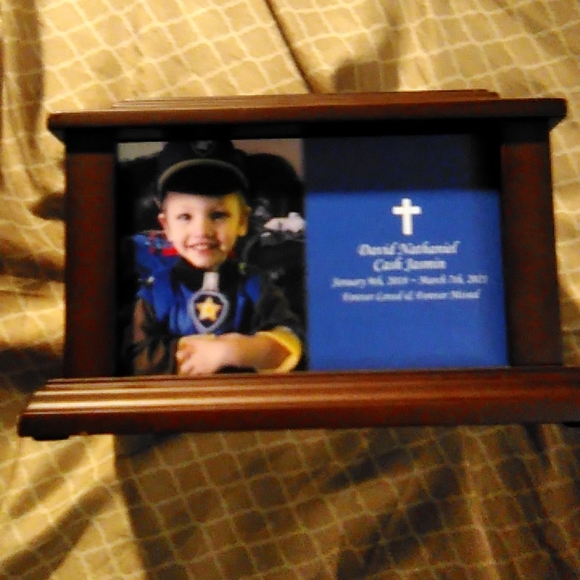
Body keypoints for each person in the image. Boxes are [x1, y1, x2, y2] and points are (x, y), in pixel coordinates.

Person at [125, 140, 303, 376]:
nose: (202, 230)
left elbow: (290, 341)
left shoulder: (256, 285)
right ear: (166, 227)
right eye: (185, 217)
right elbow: (135, 357)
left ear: (242, 221)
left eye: (218, 215)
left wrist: (234, 350)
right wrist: (192, 351)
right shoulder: (156, 291)